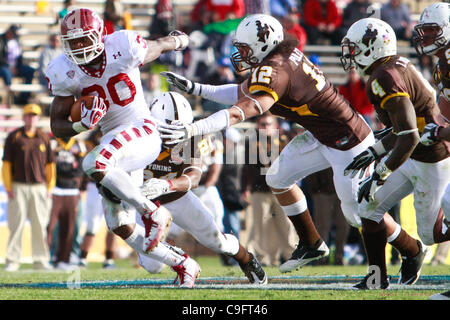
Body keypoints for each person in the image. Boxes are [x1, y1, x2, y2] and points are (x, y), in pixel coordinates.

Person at [159, 14, 418, 276]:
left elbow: (242, 110)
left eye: (245, 49)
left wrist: (194, 127)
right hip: (321, 134)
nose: (240, 54)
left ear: (263, 45)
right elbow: (241, 92)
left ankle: (411, 249)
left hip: (348, 140)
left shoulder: (276, 71)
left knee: (356, 213)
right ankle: (311, 243)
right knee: (278, 177)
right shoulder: (277, 61)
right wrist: (195, 88)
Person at [45, 8, 203, 287]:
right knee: (119, 224)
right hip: (113, 143)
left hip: (141, 130)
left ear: (99, 35)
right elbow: (57, 125)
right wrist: (82, 125)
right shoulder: (63, 70)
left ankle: (151, 212)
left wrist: (176, 41)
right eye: (73, 41)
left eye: (84, 39)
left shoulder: (122, 45)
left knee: (94, 163)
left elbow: (156, 46)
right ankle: (184, 264)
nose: (79, 46)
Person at [340, 17, 449, 289]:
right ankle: (379, 276)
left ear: (372, 47)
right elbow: (405, 130)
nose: (351, 56)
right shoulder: (393, 67)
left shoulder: (384, 77)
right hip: (413, 151)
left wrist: (380, 171)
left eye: (355, 48)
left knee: (432, 233)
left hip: (431, 157)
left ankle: (416, 248)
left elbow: (409, 134)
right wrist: (376, 150)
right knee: (368, 208)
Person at [139, 91, 267, 284]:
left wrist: (166, 185)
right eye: (166, 130)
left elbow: (194, 177)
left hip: (177, 197)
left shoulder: (195, 135)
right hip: (142, 203)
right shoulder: (138, 131)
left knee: (216, 241)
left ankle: (246, 259)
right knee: (152, 266)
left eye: (178, 130)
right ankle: (183, 261)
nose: (171, 136)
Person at [413, 2, 450, 300]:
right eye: (423, 31)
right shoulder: (442, 64)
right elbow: (445, 111)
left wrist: (439, 132)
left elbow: (444, 124)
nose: (424, 37)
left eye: (431, 31)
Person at [2, 104, 55, 271]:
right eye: (28, 115)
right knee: (16, 226)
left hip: (39, 187)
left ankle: (40, 260)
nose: (31, 118)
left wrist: (49, 187)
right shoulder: (14, 137)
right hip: (18, 186)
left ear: (38, 118)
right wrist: (8, 187)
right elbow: (6, 165)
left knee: (40, 225)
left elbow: (50, 166)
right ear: (24, 117)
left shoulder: (44, 138)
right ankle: (12, 260)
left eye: (34, 116)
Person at [242, 114, 298, 267]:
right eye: (262, 124)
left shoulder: (284, 140)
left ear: (275, 125)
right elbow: (247, 168)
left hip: (281, 189)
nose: (265, 127)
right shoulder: (252, 142)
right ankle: (265, 258)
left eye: (268, 124)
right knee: (262, 225)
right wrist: (244, 187)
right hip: (259, 190)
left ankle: (291, 255)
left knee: (286, 223)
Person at [46, 134, 86, 270]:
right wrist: (68, 168)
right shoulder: (52, 142)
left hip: (72, 191)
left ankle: (65, 258)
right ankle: (50, 256)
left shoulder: (78, 144)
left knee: (70, 228)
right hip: (55, 190)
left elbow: (80, 170)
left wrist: (63, 168)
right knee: (51, 227)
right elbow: (50, 166)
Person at [0, 25, 36, 105]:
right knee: (7, 73)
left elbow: (19, 57)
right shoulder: (1, 40)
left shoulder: (16, 41)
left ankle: (24, 97)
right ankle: (10, 98)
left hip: (15, 66)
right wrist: (9, 66)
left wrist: (16, 66)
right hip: (3, 67)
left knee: (30, 70)